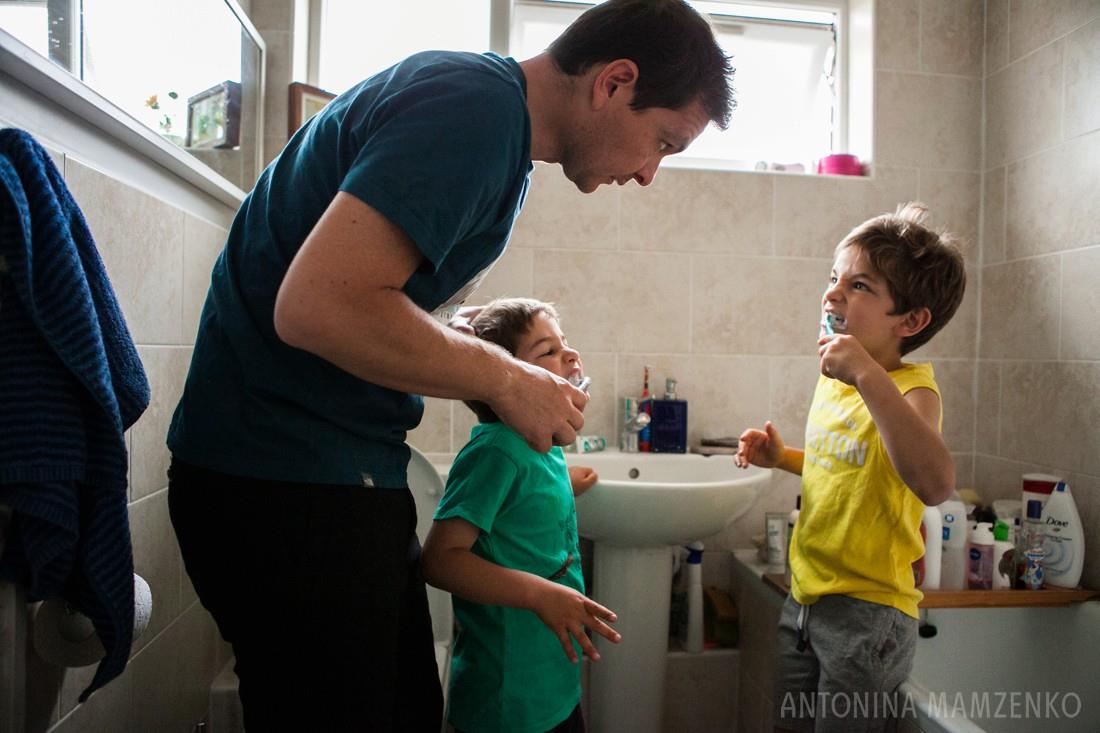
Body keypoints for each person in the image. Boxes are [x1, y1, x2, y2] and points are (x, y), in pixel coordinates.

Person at [166, 0, 735, 729]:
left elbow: (365, 304)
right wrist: (507, 376)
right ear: (615, 81)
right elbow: (317, 305)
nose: (651, 173)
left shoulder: (494, 133)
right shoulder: (476, 113)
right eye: (662, 142)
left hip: (314, 473)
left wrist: (464, 342)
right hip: (283, 478)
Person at [735, 203, 966, 733]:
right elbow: (845, 467)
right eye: (834, 278)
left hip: (869, 613)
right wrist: (782, 458)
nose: (834, 293)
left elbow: (934, 483)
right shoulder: (837, 382)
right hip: (807, 601)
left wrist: (866, 372)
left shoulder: (912, 391)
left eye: (860, 286)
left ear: (911, 320)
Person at [422, 298, 617, 733]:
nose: (569, 355)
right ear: (506, 380)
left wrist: (567, 482)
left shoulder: (539, 445)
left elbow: (521, 502)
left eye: (564, 344)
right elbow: (440, 559)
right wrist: (539, 594)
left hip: (553, 684)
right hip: (506, 699)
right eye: (546, 351)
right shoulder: (496, 451)